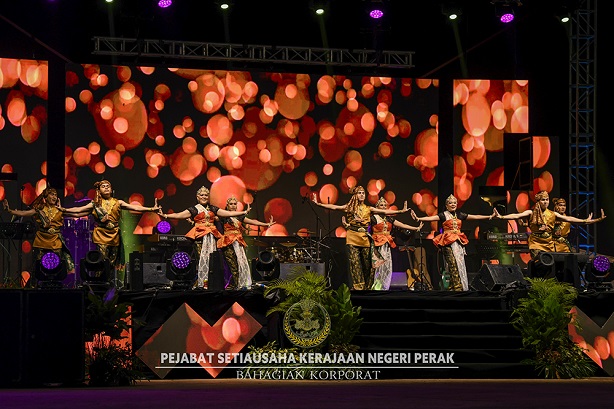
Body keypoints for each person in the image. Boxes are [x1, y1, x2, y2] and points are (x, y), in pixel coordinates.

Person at [65, 180, 160, 288]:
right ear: (99, 190)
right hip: (101, 235)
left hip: (114, 235)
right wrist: (63, 210)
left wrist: (151, 209)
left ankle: (107, 283)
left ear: (111, 189)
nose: (106, 188)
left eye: (108, 186)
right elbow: (78, 210)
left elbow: (135, 207)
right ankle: (99, 284)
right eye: (103, 186)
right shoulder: (95, 204)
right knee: (101, 260)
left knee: (111, 262)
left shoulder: (118, 202)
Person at [312, 186, 409, 291]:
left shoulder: (368, 209)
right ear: (355, 195)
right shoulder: (349, 207)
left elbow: (385, 212)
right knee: (355, 262)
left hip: (364, 237)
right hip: (352, 236)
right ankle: (358, 287)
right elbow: (334, 207)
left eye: (363, 193)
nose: (362, 195)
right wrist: (319, 204)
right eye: (359, 193)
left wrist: (401, 211)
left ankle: (368, 286)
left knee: (368, 264)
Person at [159, 186, 250, 289]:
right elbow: (180, 215)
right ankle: (202, 283)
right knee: (202, 260)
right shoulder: (194, 209)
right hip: (199, 237)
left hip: (211, 236)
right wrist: (166, 216)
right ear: (198, 197)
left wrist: (243, 212)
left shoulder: (213, 208)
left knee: (212, 261)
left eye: (206, 195)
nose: (204, 197)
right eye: (202, 195)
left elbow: (228, 213)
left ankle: (211, 283)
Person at [411, 194, 497, 292]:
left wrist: (489, 216)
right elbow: (432, 218)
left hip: (458, 242)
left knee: (459, 264)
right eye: (450, 203)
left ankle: (453, 286)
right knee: (453, 264)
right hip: (447, 242)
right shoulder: (444, 215)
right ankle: (457, 287)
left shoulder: (459, 215)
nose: (453, 204)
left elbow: (475, 216)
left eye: (454, 203)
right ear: (446, 205)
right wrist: (419, 218)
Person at [496, 190, 606, 260]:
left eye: (547, 200)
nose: (545, 202)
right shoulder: (531, 212)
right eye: (543, 200)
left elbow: (569, 218)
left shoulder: (553, 214)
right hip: (536, 243)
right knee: (541, 263)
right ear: (538, 201)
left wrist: (585, 220)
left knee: (551, 264)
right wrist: (501, 217)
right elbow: (516, 215)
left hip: (549, 244)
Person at [3, 187, 79, 285]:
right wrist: (9, 211)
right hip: (41, 240)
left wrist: (89, 210)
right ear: (45, 197)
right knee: (39, 264)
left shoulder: (60, 210)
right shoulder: (39, 210)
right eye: (52, 194)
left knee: (56, 263)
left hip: (55, 240)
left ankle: (55, 284)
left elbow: (76, 213)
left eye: (56, 195)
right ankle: (36, 285)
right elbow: (24, 213)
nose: (54, 197)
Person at [217, 195, 275, 290]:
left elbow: (252, 221)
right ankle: (236, 284)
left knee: (242, 263)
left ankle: (242, 283)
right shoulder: (223, 216)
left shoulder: (239, 217)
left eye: (235, 204)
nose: (233, 205)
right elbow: (213, 218)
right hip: (228, 242)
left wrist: (266, 224)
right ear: (227, 205)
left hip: (238, 241)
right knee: (233, 264)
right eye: (231, 204)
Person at [367, 197, 423, 290]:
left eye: (385, 205)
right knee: (377, 267)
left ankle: (384, 287)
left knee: (386, 266)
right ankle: (373, 287)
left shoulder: (389, 218)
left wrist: (416, 228)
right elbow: (363, 225)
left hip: (386, 245)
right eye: (381, 205)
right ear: (377, 207)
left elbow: (403, 225)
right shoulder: (373, 218)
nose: (383, 207)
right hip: (377, 245)